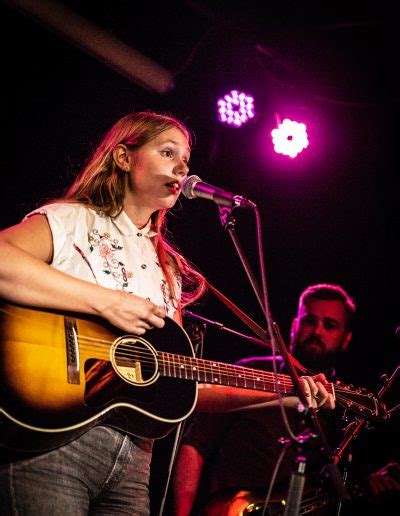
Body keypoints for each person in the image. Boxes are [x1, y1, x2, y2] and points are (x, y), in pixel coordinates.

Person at [0, 111, 334, 515]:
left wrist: (283, 392)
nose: (182, 167)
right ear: (124, 158)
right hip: (57, 444)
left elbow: (181, 382)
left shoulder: (168, 270)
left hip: (134, 465)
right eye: (167, 152)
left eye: (186, 159)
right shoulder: (72, 221)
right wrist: (104, 301)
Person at [171, 283, 356, 516]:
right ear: (295, 325)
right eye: (309, 321)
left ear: (346, 338)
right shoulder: (251, 371)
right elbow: (195, 445)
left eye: (330, 325)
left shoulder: (340, 406)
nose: (317, 331)